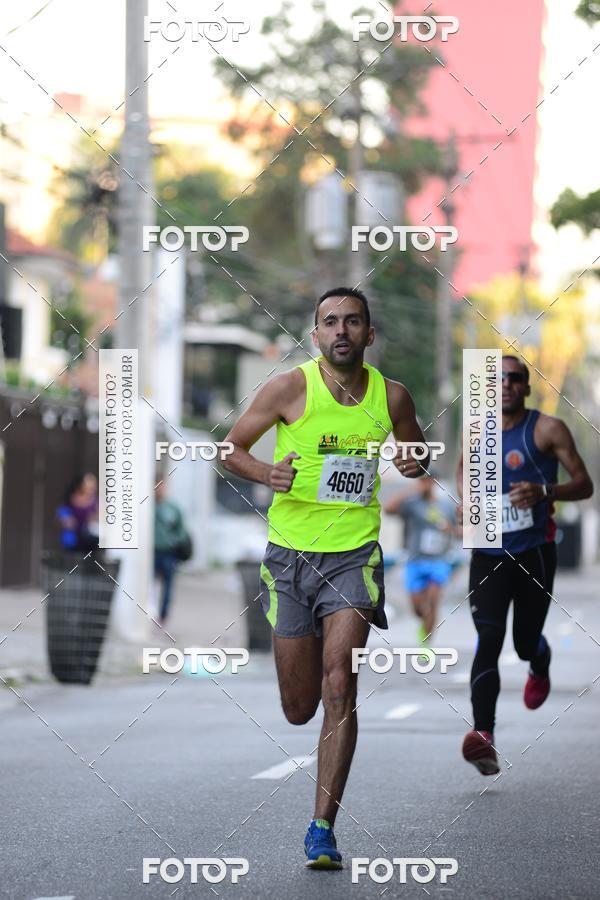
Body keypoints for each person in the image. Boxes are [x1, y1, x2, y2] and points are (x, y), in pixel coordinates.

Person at [222, 287, 429, 869]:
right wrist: (267, 472)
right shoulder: (289, 388)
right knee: (299, 707)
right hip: (290, 558)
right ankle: (307, 676)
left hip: (354, 556)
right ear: (316, 336)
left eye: (352, 321)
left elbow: (417, 454)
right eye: (330, 322)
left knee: (341, 683)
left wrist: (415, 460)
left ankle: (322, 829)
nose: (341, 330)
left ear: (369, 333)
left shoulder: (392, 395)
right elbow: (229, 449)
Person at [457, 355, 593, 775]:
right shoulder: (476, 430)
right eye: (497, 379)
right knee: (489, 638)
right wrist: (466, 505)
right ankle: (484, 736)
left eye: (514, 378)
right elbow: (464, 471)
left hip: (534, 551)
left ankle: (539, 659)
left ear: (526, 388)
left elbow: (584, 484)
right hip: (488, 552)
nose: (506, 385)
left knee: (523, 641)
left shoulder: (548, 429)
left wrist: (545, 491)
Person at [384, 473, 458, 648]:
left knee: (432, 602)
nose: (425, 484)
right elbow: (388, 509)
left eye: (428, 480)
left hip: (439, 561)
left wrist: (451, 530)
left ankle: (426, 643)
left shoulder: (446, 506)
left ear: (435, 482)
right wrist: (412, 490)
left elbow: (463, 530)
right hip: (415, 561)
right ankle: (424, 627)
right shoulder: (412, 504)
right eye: (421, 480)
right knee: (418, 609)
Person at [154, 482, 189, 626]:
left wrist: (174, 542)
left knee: (168, 586)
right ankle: (150, 612)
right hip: (152, 552)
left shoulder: (173, 508)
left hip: (168, 553)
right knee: (150, 585)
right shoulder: (147, 506)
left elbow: (182, 530)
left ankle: (163, 616)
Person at [56, 473, 99, 553]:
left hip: (90, 542)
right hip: (72, 542)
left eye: (93, 486)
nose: (91, 488)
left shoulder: (96, 503)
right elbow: (61, 516)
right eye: (88, 485)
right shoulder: (70, 500)